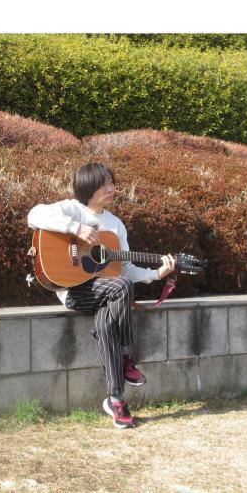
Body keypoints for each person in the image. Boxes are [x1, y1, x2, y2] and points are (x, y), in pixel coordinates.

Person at [28, 162, 176, 429]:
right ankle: (125, 357)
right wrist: (76, 228)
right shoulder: (72, 209)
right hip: (74, 290)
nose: (112, 188)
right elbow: (34, 215)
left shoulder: (115, 225)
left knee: (107, 324)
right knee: (120, 287)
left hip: (109, 294)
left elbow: (125, 268)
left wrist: (156, 275)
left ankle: (115, 400)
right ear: (88, 187)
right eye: (105, 184)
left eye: (112, 182)